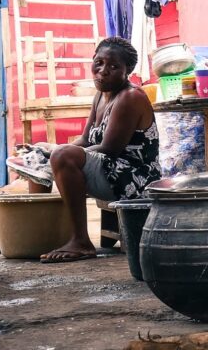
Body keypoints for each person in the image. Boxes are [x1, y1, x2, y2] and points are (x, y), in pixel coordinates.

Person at [24, 37, 160, 263]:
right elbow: (86, 139)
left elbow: (110, 148)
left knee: (61, 154)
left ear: (128, 71)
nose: (103, 71)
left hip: (135, 179)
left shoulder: (130, 97)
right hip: (110, 172)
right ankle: (35, 236)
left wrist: (60, 152)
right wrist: (51, 151)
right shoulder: (101, 95)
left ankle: (81, 241)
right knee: (38, 154)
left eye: (114, 66)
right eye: (99, 62)